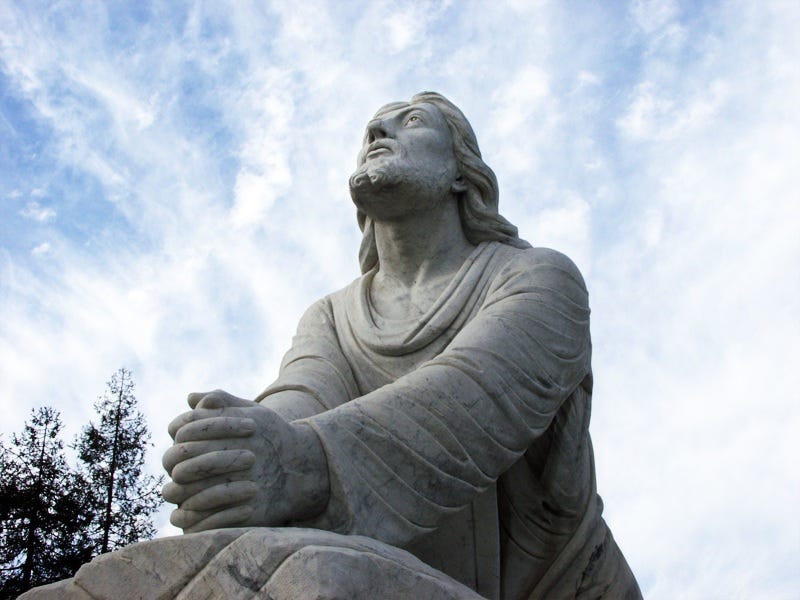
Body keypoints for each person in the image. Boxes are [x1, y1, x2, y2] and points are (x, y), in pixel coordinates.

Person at [162, 92, 641, 600]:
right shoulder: (331, 315)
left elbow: (474, 397)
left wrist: (307, 462)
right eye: (372, 127)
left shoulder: (538, 278)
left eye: (411, 122)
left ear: (463, 173)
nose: (377, 134)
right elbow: (303, 394)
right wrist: (244, 446)